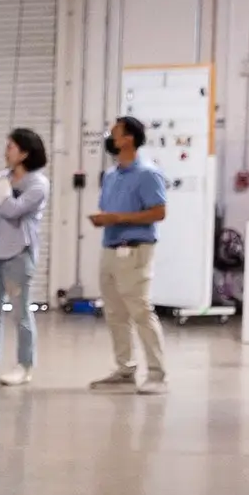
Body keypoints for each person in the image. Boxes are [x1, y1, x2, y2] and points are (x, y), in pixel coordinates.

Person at [87, 115, 169, 392]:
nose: (111, 139)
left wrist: (118, 218)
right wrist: (104, 219)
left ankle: (157, 374)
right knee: (114, 312)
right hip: (110, 249)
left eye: (115, 134)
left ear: (129, 138)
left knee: (140, 311)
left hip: (135, 250)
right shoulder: (111, 175)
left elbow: (159, 212)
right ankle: (125, 369)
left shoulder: (147, 173)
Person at [0, 127, 47, 386]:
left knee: (21, 314)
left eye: (11, 147)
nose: (6, 151)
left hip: (18, 254)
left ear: (25, 153)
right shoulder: (2, 177)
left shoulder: (38, 184)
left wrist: (1, 192)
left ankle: (24, 366)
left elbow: (13, 210)